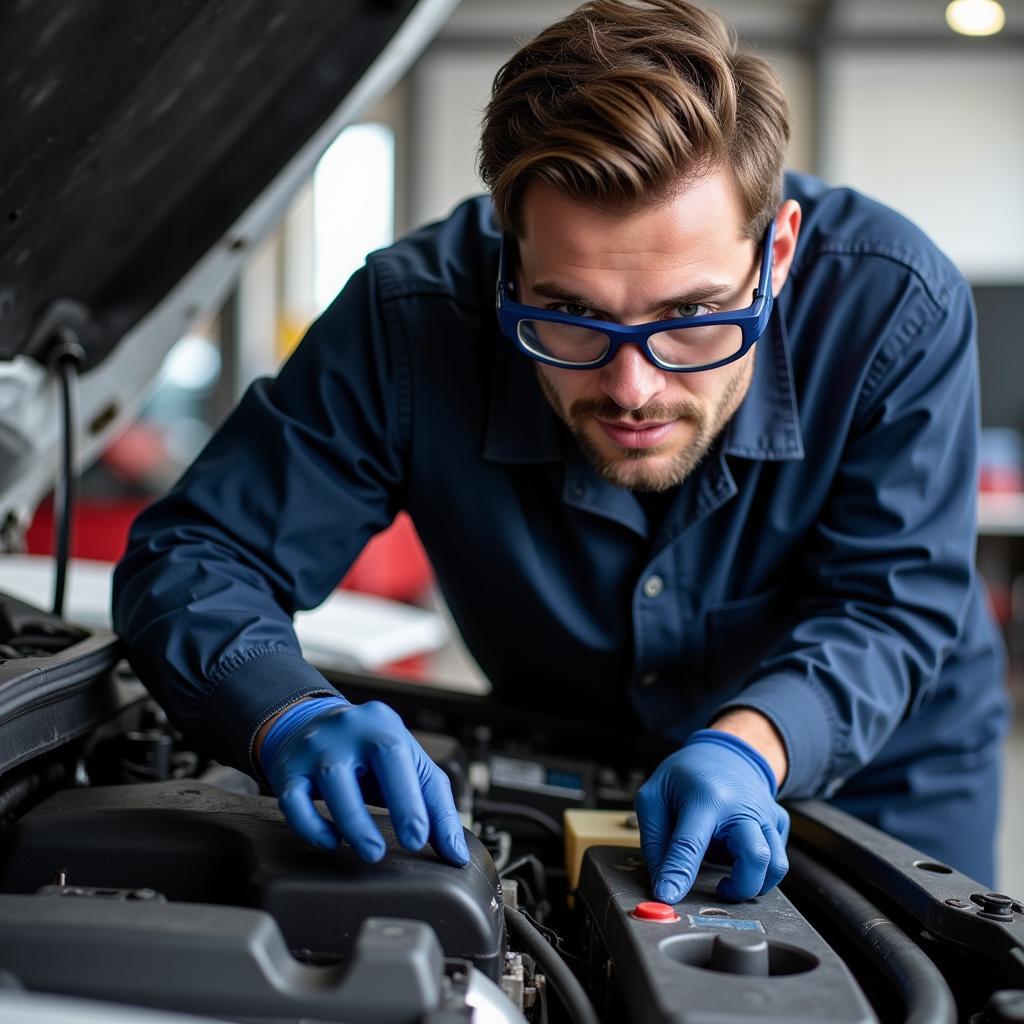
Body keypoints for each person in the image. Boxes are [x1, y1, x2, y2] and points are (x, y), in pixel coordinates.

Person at [112, 0, 1010, 899]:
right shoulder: (411, 319)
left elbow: (890, 605)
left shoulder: (896, 306)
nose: (633, 388)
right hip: (572, 756)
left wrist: (750, 745)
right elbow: (198, 555)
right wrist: (287, 714)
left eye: (693, 318)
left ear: (775, 256)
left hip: (887, 775)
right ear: (510, 259)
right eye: (573, 316)